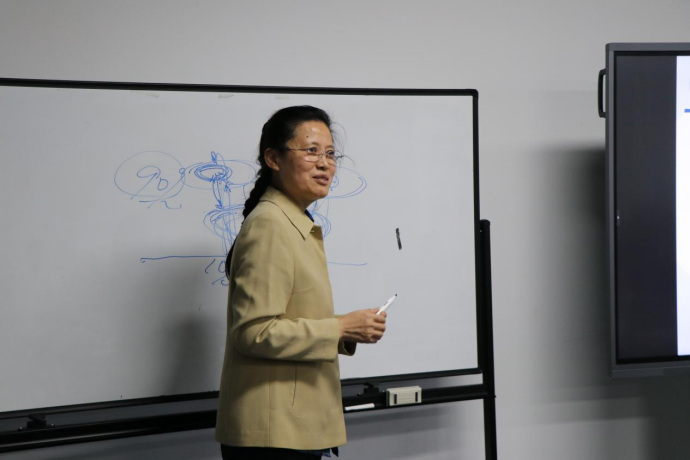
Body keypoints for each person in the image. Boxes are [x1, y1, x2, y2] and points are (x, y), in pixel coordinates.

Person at [216, 106, 387, 459]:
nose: (324, 164)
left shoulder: (291, 219)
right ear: (273, 159)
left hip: (294, 428)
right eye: (311, 151)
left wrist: (348, 328)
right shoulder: (270, 224)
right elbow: (254, 332)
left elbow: (288, 317)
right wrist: (340, 327)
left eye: (330, 154)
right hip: (274, 436)